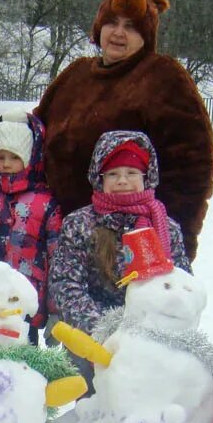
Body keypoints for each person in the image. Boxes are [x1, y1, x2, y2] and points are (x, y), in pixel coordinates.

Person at [0, 0, 213, 258]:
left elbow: (192, 170)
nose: (118, 32)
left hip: (123, 237)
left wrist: (172, 242)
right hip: (53, 232)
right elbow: (31, 140)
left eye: (130, 26)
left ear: (146, 35)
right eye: (112, 22)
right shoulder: (75, 75)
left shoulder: (163, 78)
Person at [48, 130, 190, 339]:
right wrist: (107, 331)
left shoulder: (166, 228)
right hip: (93, 336)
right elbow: (66, 284)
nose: (122, 181)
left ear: (146, 177)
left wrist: (153, 331)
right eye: (112, 174)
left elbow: (183, 285)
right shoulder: (79, 224)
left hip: (154, 335)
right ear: (99, 179)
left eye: (132, 173)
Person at [0, 109, 62, 340]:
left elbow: (57, 257)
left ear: (30, 157)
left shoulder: (45, 203)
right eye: (0, 157)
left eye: (14, 157)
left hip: (26, 300)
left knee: (25, 360)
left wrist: (55, 310)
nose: (6, 164)